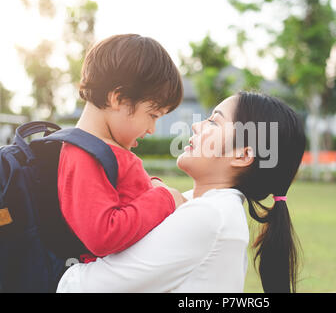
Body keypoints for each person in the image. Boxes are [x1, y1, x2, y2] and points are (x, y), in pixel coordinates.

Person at [57, 91, 306, 293]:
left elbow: (83, 288)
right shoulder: (197, 205)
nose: (197, 126)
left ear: (242, 155)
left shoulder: (210, 216)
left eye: (214, 121)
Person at [57, 34, 186, 263]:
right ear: (119, 98)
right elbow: (103, 235)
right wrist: (165, 199)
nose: (152, 129)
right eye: (152, 115)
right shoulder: (84, 154)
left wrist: (154, 186)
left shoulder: (107, 151)